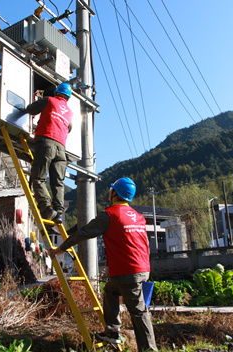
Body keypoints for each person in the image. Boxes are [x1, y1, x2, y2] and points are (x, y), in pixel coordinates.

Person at [50, 177, 157, 351]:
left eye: (111, 188)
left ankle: (149, 349)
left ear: (115, 193)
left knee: (139, 313)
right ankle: (112, 332)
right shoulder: (139, 217)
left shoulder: (110, 214)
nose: (109, 191)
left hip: (126, 271)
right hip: (142, 269)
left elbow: (83, 232)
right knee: (110, 291)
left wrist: (61, 248)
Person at [24, 82, 73, 223]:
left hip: (47, 143)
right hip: (61, 150)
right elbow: (69, 128)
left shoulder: (49, 100)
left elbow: (31, 109)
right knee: (58, 183)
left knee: (38, 178)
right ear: (68, 97)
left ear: (57, 92)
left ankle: (46, 209)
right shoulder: (70, 113)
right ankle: (58, 213)